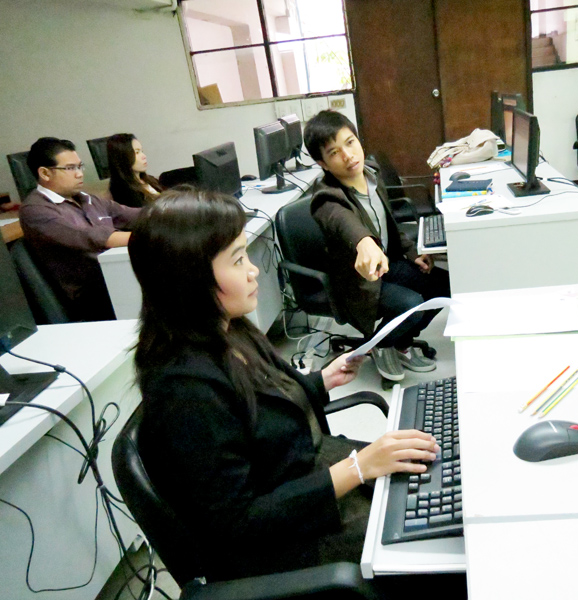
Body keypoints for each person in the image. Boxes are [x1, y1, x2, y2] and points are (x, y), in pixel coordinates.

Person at [128, 187, 443, 584]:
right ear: (188, 278)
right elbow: (239, 521)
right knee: (432, 545)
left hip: (304, 480)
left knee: (431, 477)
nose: (253, 271)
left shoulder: (228, 329)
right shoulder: (184, 388)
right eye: (237, 260)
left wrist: (321, 381)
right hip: (283, 546)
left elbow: (258, 409)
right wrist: (358, 468)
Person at [304, 110, 451, 383]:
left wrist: (412, 252)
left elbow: (390, 224)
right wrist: (364, 242)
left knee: (444, 285)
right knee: (411, 303)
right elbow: (344, 222)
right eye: (334, 152)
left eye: (350, 142)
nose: (348, 155)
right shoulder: (326, 198)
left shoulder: (371, 174)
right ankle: (380, 345)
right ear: (322, 163)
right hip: (358, 282)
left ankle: (400, 342)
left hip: (388, 265)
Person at [19, 137, 140, 322]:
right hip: (93, 298)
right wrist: (147, 237)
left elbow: (133, 215)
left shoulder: (87, 199)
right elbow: (88, 237)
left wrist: (174, 212)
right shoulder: (36, 210)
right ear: (45, 173)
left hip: (118, 277)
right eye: (70, 168)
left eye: (79, 166)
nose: (79, 174)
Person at [108, 133, 164, 208]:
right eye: (137, 152)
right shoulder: (124, 192)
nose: (144, 156)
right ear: (122, 157)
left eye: (142, 151)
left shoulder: (148, 179)